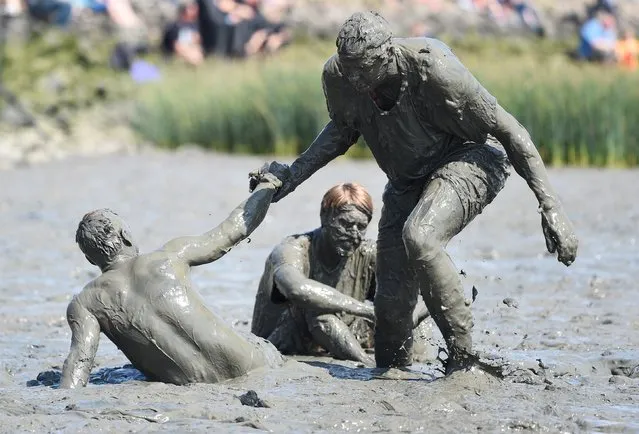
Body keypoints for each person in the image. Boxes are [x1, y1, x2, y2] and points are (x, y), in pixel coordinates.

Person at [250, 11, 578, 375]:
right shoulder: (339, 76)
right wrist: (290, 177)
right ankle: (393, 372)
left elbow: (511, 131)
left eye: (363, 69)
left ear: (387, 54)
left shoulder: (433, 68)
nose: (355, 79)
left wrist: (550, 206)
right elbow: (341, 132)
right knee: (391, 303)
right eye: (348, 69)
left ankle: (464, 361)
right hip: (406, 180)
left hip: (469, 156)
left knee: (420, 236)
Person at [60, 165, 288, 388]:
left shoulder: (85, 303)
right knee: (264, 345)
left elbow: (79, 363)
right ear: (126, 236)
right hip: (250, 364)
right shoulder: (171, 255)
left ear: (91, 260)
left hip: (192, 384)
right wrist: (268, 183)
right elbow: (233, 229)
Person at [251, 182, 431, 365]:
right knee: (320, 312)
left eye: (361, 226)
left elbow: (424, 290)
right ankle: (368, 365)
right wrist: (369, 311)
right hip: (286, 343)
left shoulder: (369, 254)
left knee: (407, 309)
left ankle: (415, 363)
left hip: (346, 336)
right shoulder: (293, 248)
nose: (354, 234)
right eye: (345, 223)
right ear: (324, 217)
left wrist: (409, 317)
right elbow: (296, 288)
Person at [161, 1, 204, 66]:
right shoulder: (175, 26)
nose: (195, 11)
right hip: (177, 54)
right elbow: (176, 46)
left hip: (191, 50)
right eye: (192, 8)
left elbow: (197, 41)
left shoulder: (195, 25)